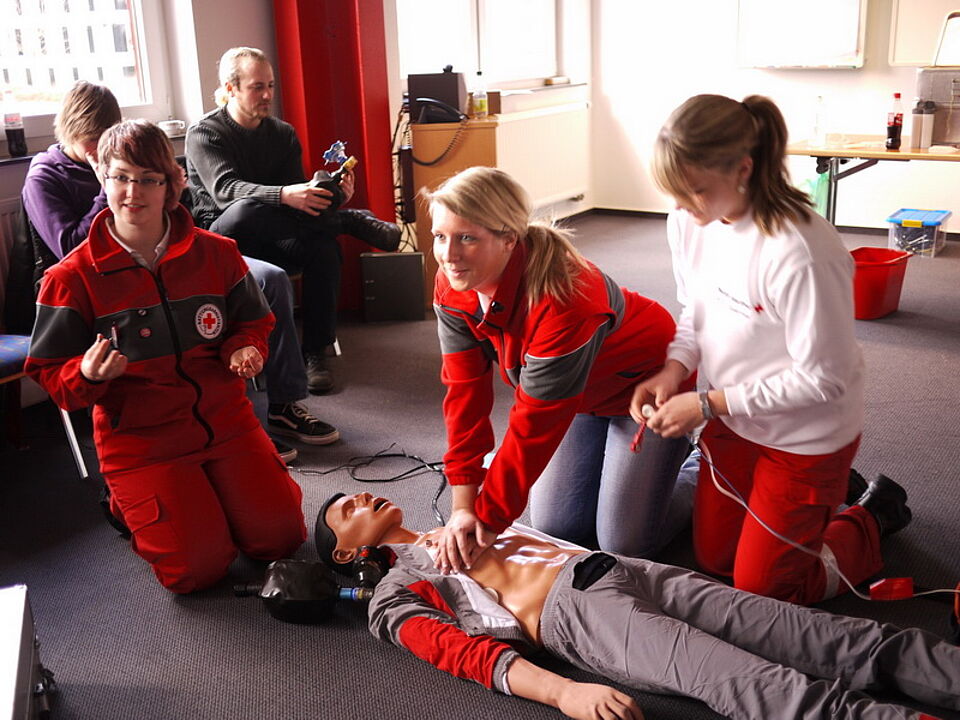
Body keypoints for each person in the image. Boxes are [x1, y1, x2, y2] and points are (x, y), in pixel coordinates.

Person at [317, 491, 960, 720]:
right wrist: (564, 693)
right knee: (772, 689)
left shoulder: (455, 515)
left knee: (831, 637)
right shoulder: (393, 594)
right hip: (580, 616)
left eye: (355, 494)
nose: (361, 498)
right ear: (346, 553)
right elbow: (464, 655)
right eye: (345, 509)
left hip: (622, 568)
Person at [632, 93, 912, 605]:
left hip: (804, 436)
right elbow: (695, 309)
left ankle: (871, 516)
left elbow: (824, 378)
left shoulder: (802, 251)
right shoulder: (689, 221)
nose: (680, 206)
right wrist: (675, 367)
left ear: (743, 169)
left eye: (694, 191)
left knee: (767, 591)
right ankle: (814, 508)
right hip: (734, 420)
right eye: (672, 192)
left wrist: (707, 403)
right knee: (715, 561)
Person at [25, 120, 307, 593]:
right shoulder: (69, 278)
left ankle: (208, 501)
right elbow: (50, 374)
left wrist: (244, 347)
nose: (132, 192)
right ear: (103, 179)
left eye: (148, 179)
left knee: (280, 541)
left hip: (227, 422)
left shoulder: (219, 254)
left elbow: (254, 323)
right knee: (196, 571)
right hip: (142, 441)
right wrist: (86, 374)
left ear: (170, 184)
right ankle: (126, 503)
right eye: (120, 177)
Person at [19, 81, 338, 460]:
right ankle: (206, 425)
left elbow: (173, 217)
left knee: (270, 278)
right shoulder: (45, 176)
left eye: (102, 136)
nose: (97, 146)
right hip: (102, 278)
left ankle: (282, 405)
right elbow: (70, 245)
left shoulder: (132, 156)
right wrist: (106, 186)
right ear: (69, 131)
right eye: (89, 139)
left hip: (168, 252)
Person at [425, 166, 696, 574]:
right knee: (558, 527)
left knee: (625, 543)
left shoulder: (565, 301)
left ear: (508, 239)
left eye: (467, 238)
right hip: (578, 399)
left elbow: (533, 426)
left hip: (646, 391)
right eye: (440, 236)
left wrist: (487, 522)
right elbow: (464, 395)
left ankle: (698, 464)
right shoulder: (454, 283)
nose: (449, 255)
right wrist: (463, 507)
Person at [185, 46, 401, 394]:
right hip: (224, 239)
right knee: (245, 210)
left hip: (275, 233)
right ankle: (348, 222)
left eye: (270, 85)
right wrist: (286, 194)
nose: (267, 95)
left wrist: (332, 197)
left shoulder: (282, 133)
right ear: (230, 89)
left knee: (322, 247)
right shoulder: (204, 133)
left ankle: (316, 352)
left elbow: (299, 205)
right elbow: (225, 191)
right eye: (257, 87)